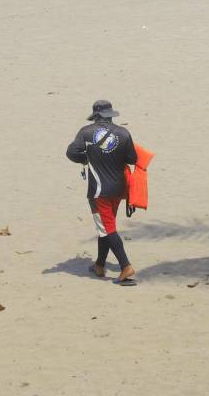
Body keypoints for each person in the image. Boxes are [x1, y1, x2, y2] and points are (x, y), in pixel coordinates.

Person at [65, 100, 139, 285]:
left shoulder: (86, 132)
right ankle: (99, 264)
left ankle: (126, 267)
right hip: (119, 189)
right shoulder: (124, 133)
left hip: (99, 190)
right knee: (105, 226)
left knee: (107, 228)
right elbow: (132, 158)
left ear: (96, 116)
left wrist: (86, 158)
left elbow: (71, 153)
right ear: (111, 115)